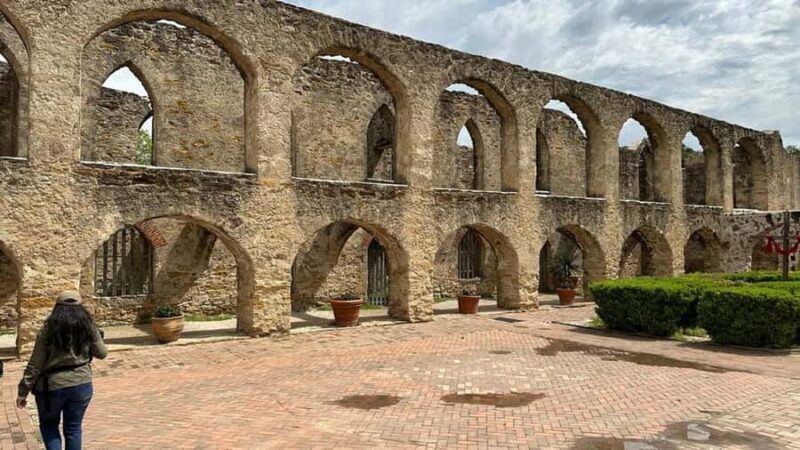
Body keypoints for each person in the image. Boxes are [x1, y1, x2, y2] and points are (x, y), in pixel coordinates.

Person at [16, 291, 108, 450]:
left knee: (49, 425)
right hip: (81, 383)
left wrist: (23, 390)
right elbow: (102, 353)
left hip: (51, 387)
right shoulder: (88, 328)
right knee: (73, 428)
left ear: (57, 308)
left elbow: (35, 365)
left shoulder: (47, 330)